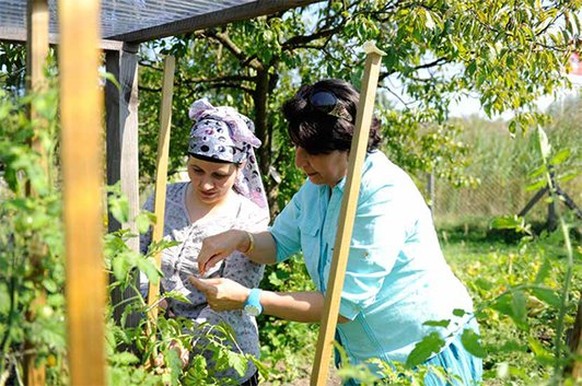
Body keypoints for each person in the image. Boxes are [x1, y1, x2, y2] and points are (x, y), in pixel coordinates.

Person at [190, 79, 483, 385]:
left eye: (313, 151)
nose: (299, 161)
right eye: (296, 146)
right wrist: (241, 239)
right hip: (364, 359)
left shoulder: (381, 193)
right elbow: (278, 242)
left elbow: (340, 307)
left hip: (421, 354)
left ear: (349, 146)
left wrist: (248, 298)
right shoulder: (316, 188)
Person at [139, 98, 269, 385]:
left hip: (223, 362)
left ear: (240, 167)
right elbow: (138, 258)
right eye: (196, 170)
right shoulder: (163, 198)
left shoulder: (249, 219)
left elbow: (231, 296)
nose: (206, 184)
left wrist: (183, 341)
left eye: (219, 175)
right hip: (158, 356)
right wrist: (156, 319)